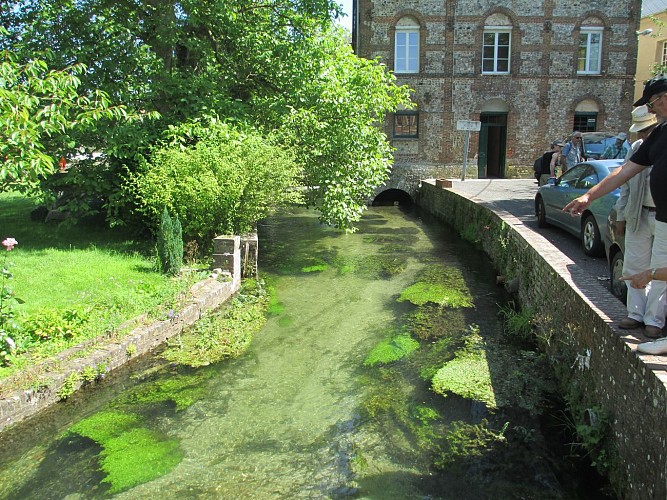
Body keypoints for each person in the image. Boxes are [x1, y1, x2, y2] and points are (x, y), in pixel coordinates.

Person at [564, 74, 667, 352]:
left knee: (659, 272)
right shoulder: (658, 135)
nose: (652, 109)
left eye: (653, 103)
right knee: (639, 267)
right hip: (649, 215)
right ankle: (637, 316)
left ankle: (655, 324)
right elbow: (624, 172)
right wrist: (588, 196)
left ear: (664, 98)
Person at [613, 105, 663, 338]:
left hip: (663, 215)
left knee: (659, 269)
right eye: (640, 132)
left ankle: (654, 319)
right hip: (638, 213)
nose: (643, 136)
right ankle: (635, 314)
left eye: (647, 130)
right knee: (634, 265)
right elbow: (625, 182)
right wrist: (621, 215)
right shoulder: (636, 148)